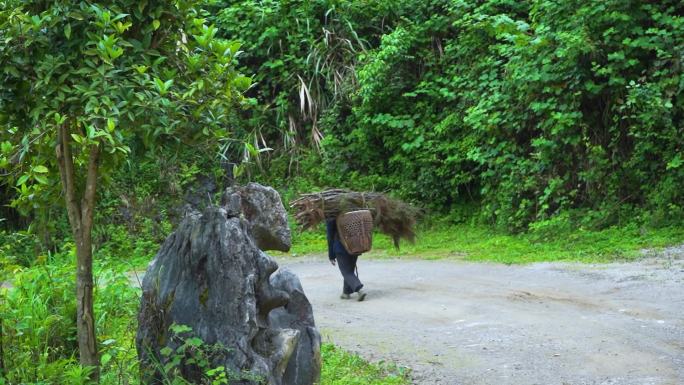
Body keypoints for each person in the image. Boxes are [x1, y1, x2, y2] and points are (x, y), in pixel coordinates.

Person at [326, 217, 367, 301]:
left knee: (346, 271)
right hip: (355, 244)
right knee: (350, 270)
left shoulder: (331, 215)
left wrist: (331, 255)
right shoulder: (353, 211)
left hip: (341, 247)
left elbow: (330, 236)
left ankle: (359, 290)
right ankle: (346, 293)